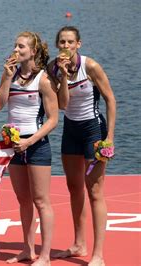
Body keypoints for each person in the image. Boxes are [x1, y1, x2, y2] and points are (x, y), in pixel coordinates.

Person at [49, 26, 116, 266]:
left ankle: (98, 254)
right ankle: (79, 244)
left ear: (79, 44)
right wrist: (63, 75)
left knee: (94, 190)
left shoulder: (91, 66)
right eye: (62, 43)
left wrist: (110, 137)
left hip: (93, 130)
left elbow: (110, 99)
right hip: (71, 130)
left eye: (70, 42)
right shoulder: (54, 68)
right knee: (73, 187)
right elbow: (63, 105)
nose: (65, 46)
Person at [0, 32, 58, 266]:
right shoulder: (11, 74)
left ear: (32, 52)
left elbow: (52, 119)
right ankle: (27, 249)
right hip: (14, 144)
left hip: (36, 144)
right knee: (23, 200)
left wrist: (30, 142)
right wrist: (6, 78)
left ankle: (46, 256)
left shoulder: (44, 79)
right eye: (15, 45)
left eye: (21, 46)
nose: (16, 49)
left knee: (41, 200)